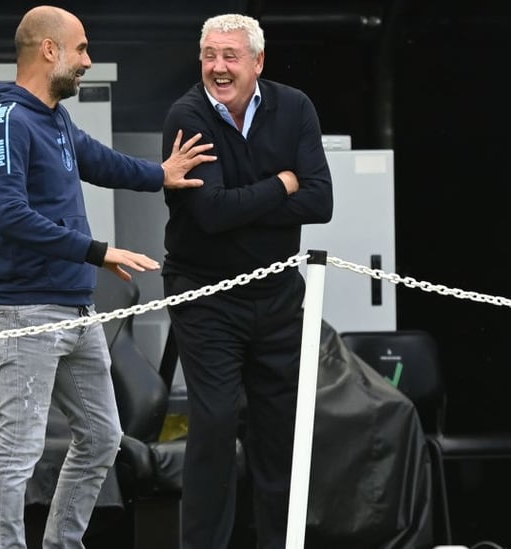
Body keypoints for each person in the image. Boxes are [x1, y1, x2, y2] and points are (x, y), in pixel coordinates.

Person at [0, 6, 216, 549]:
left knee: (103, 438)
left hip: (76, 310)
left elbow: (99, 161)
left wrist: (161, 175)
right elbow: (8, 214)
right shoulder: (7, 120)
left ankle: (63, 543)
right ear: (49, 50)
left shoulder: (53, 117)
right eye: (81, 48)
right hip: (28, 311)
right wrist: (96, 251)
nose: (88, 60)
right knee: (20, 447)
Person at [160, 13, 333, 549]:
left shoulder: (295, 106)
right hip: (206, 294)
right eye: (210, 55)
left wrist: (246, 201)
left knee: (280, 432)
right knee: (212, 427)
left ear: (258, 61)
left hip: (278, 293)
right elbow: (208, 212)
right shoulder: (187, 115)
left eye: (230, 56)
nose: (218, 67)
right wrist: (282, 183)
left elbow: (320, 202)